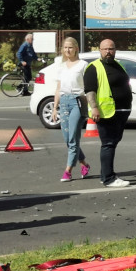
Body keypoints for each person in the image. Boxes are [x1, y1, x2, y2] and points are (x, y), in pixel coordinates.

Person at [83, 38, 132, 187]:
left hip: (121, 111)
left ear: (115, 50)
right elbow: (90, 90)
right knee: (108, 144)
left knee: (112, 143)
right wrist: (95, 108)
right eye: (105, 49)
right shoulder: (94, 67)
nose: (108, 52)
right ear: (100, 50)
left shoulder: (118, 65)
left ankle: (105, 174)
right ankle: (109, 178)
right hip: (107, 112)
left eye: (111, 49)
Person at [52, 36, 91, 182]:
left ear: (76, 48)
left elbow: (88, 87)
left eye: (70, 47)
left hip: (77, 102)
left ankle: (68, 171)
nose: (68, 50)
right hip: (64, 102)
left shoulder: (83, 65)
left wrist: (91, 106)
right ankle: (84, 164)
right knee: (68, 140)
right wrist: (55, 108)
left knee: (73, 138)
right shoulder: (61, 66)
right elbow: (58, 88)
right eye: (65, 47)